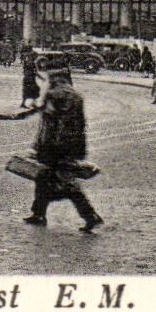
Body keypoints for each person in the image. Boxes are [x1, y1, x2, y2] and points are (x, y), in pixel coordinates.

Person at [23, 68, 103, 233]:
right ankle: (38, 213)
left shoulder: (53, 95)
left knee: (64, 183)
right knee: (44, 177)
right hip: (73, 145)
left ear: (54, 79)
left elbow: (50, 122)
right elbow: (79, 124)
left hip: (54, 146)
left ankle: (90, 215)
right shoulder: (77, 96)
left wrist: (39, 146)